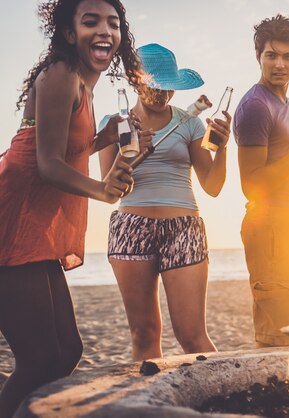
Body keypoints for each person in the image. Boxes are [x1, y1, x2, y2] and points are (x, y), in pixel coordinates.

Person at [0, 0, 142, 416]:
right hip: (14, 221)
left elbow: (67, 146)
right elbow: (47, 164)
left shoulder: (83, 83)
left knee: (66, 352)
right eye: (91, 21)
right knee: (40, 359)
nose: (105, 31)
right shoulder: (61, 75)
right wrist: (102, 190)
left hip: (35, 229)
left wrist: (106, 136)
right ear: (68, 34)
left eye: (113, 24)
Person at [99, 43, 230, 360]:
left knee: (193, 337)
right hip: (131, 228)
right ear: (135, 80)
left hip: (183, 228)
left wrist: (223, 148)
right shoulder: (114, 124)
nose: (162, 95)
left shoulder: (190, 123)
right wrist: (128, 154)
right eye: (154, 86)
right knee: (143, 335)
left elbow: (212, 186)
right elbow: (110, 192)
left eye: (168, 88)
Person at [233, 14, 289, 347]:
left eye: (288, 56)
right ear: (258, 56)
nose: (279, 64)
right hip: (270, 227)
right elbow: (252, 185)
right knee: (279, 339)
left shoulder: (287, 105)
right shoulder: (256, 106)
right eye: (271, 55)